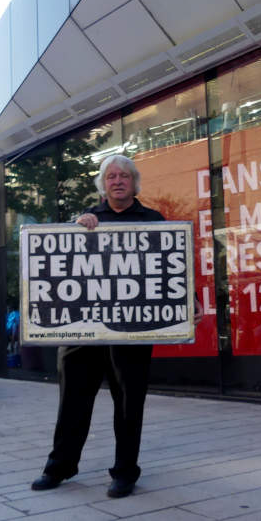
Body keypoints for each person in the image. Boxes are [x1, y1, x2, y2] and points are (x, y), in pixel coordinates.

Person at [31, 154, 203, 498]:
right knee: (72, 404)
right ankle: (60, 467)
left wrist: (189, 300)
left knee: (129, 404)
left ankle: (125, 472)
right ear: (103, 183)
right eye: (111, 176)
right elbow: (61, 264)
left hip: (131, 332)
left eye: (124, 175)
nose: (118, 181)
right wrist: (75, 228)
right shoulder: (85, 221)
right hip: (83, 332)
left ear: (134, 182)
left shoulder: (154, 220)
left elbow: (169, 265)